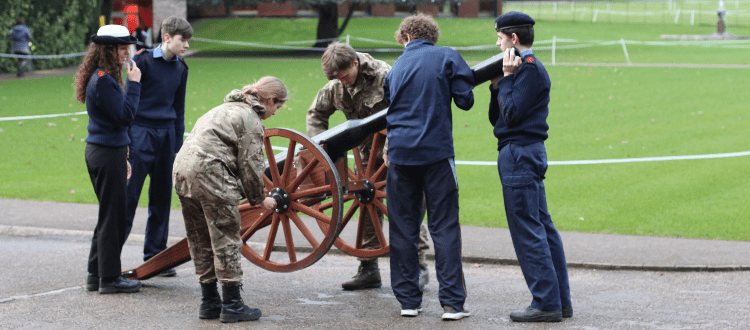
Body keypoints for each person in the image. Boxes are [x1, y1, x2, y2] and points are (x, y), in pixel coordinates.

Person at [307, 41, 432, 291]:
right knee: (366, 206)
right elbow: (316, 114)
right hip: (366, 156)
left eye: (345, 76)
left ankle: (417, 266)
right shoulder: (336, 86)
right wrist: (321, 148)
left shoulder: (386, 76)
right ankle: (368, 268)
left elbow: (405, 113)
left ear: (355, 63)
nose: (343, 82)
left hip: (400, 150)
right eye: (337, 79)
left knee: (407, 206)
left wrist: (391, 149)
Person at [173, 77, 287, 323]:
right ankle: (233, 305)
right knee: (226, 238)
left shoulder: (223, 109)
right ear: (269, 100)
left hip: (182, 171)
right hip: (211, 173)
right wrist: (260, 199)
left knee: (199, 237)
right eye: (277, 107)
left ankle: (209, 302)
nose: (275, 113)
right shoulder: (251, 120)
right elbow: (251, 166)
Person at [383, 14, 474, 320]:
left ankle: (408, 301)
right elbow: (465, 101)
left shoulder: (394, 68)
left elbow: (389, 106)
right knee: (444, 227)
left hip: (399, 156)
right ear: (430, 35)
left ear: (406, 36)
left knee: (403, 230)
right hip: (436, 154)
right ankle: (451, 303)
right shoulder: (447, 55)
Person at [489, 11, 572, 322]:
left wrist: (508, 79)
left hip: (519, 153)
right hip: (524, 152)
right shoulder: (523, 71)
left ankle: (546, 303)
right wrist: (498, 85)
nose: (497, 45)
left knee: (528, 231)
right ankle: (559, 301)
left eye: (499, 38)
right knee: (542, 228)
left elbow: (509, 116)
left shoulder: (529, 72)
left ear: (513, 39)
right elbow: (496, 117)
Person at [74, 24, 142, 294]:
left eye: (127, 47)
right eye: (122, 47)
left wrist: (124, 152)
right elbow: (125, 116)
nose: (127, 52)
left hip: (107, 151)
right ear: (109, 49)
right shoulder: (103, 80)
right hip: (105, 153)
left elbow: (116, 123)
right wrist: (135, 85)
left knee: (108, 215)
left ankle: (96, 274)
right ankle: (110, 279)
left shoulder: (103, 78)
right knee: (113, 218)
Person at [123, 16, 192, 276]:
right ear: (167, 38)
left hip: (167, 136)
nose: (186, 45)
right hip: (140, 133)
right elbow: (128, 101)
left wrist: (177, 145)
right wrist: (128, 141)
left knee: (162, 197)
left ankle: (155, 257)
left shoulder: (182, 68)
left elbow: (179, 109)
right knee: (129, 196)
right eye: (182, 40)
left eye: (187, 41)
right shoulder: (141, 61)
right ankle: (109, 260)